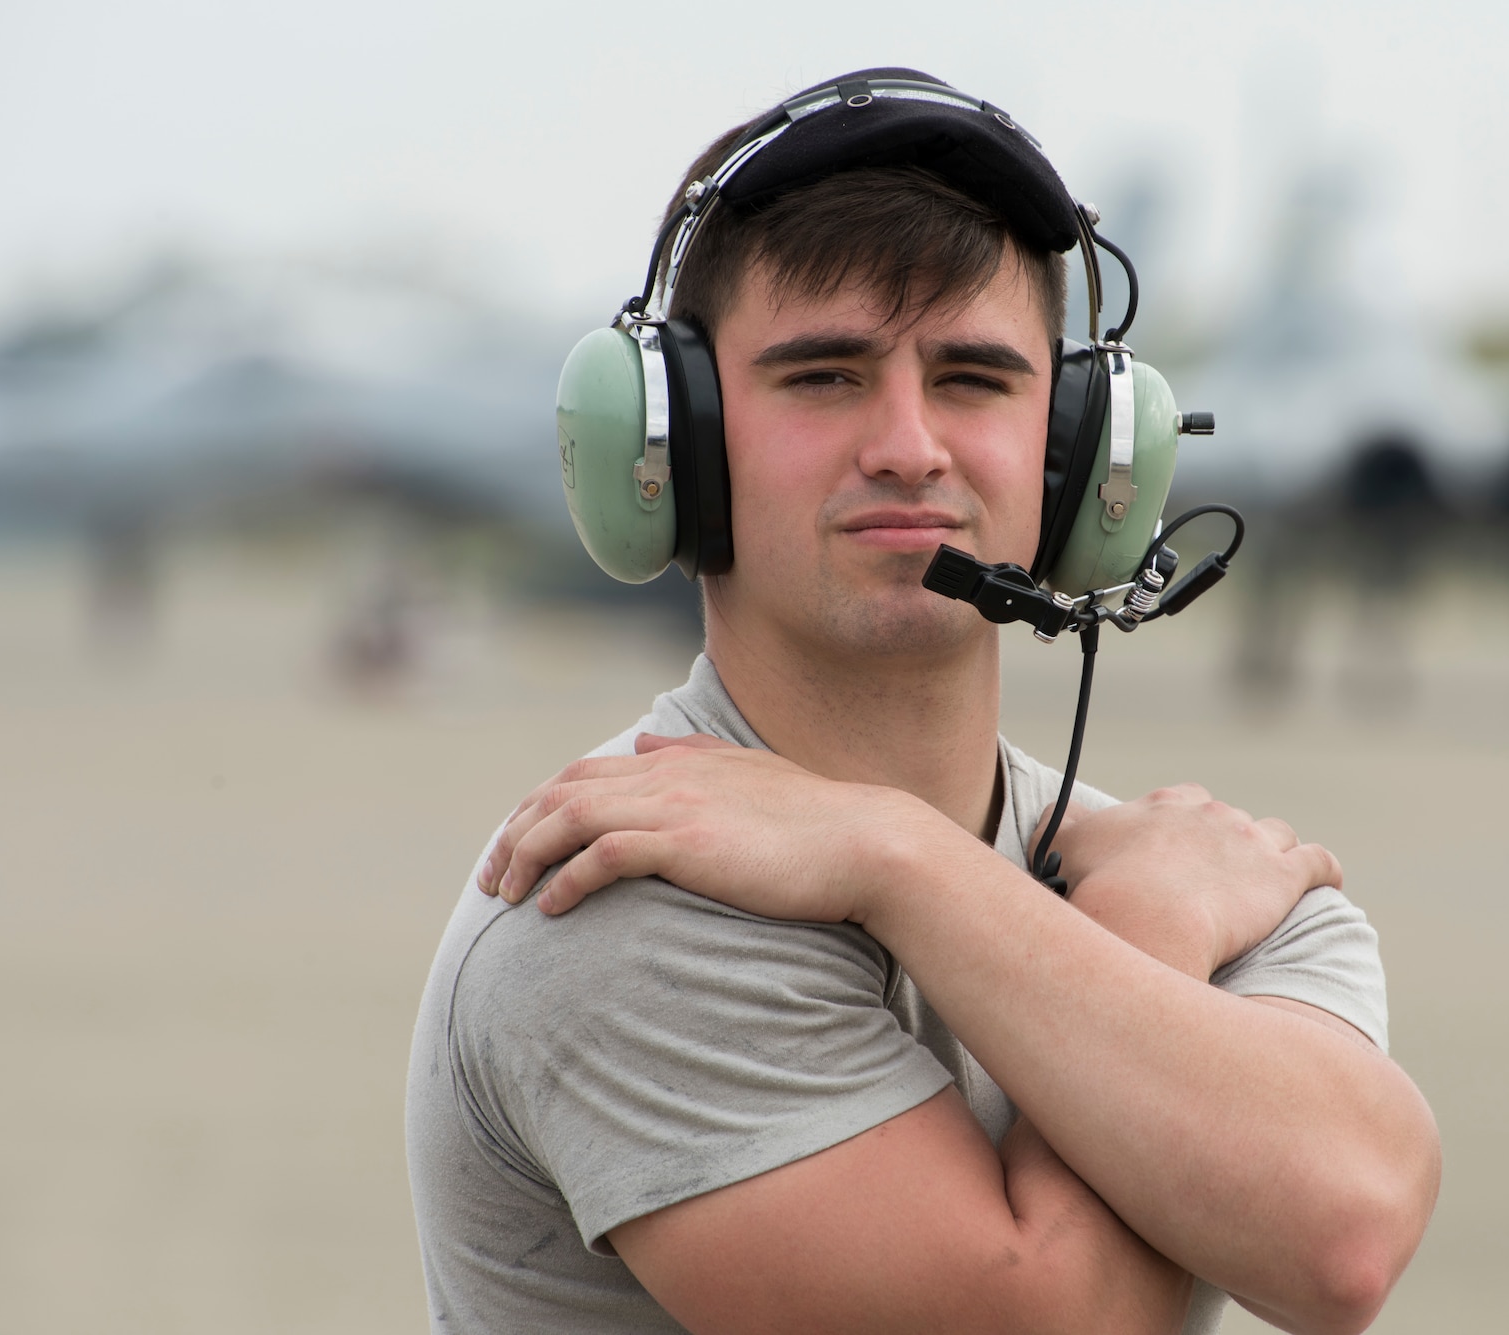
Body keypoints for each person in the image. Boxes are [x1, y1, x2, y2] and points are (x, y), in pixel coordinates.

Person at [405, 69, 1440, 1335]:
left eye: (972, 378)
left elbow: (1342, 1242)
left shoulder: (1214, 872)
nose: (908, 444)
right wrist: (1127, 924)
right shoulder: (604, 900)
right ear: (669, 450)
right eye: (823, 377)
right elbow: (1045, 1323)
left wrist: (894, 860)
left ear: (1080, 461)